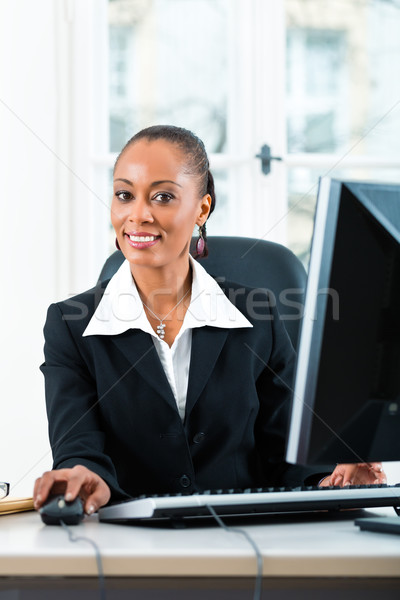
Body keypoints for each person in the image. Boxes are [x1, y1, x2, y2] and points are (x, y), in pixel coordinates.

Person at [33, 125, 386, 515]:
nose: (138, 215)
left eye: (163, 197)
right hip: (124, 545)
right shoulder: (70, 325)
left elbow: (285, 453)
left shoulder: (258, 315)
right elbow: (77, 447)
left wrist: (332, 480)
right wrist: (82, 476)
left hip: (248, 540)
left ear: (202, 208)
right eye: (124, 195)